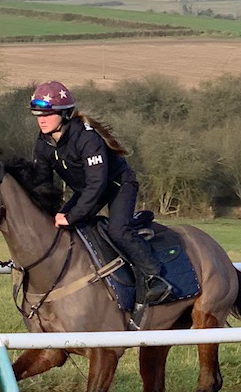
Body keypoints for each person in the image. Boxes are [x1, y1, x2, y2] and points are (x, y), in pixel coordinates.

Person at [29, 80, 173, 308]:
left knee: (118, 230)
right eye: (38, 114)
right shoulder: (43, 143)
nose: (42, 120)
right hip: (88, 190)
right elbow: (42, 183)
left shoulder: (87, 138)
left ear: (65, 115)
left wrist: (72, 216)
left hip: (117, 185)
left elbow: (97, 185)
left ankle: (156, 277)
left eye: (48, 114)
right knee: (59, 226)